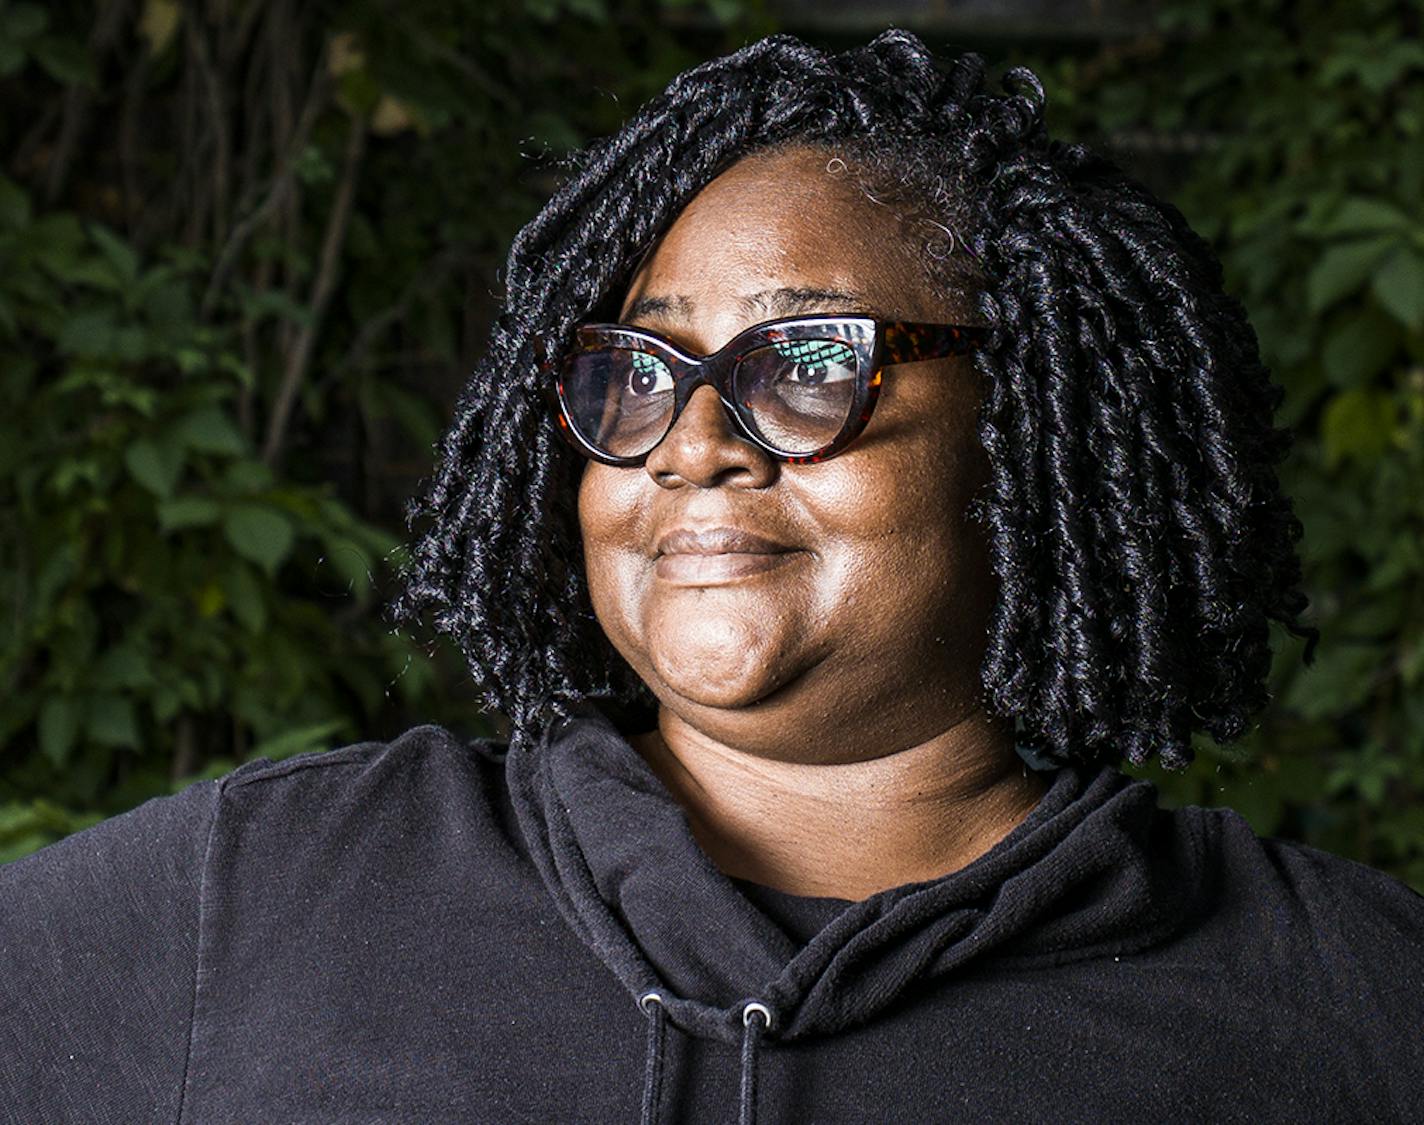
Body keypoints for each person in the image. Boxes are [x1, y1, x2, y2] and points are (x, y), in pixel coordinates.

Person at [3, 29, 1422, 1124]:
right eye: (639, 373)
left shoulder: (1342, 1000)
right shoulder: (264, 890)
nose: (689, 443)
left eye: (804, 368)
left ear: (1041, 423)